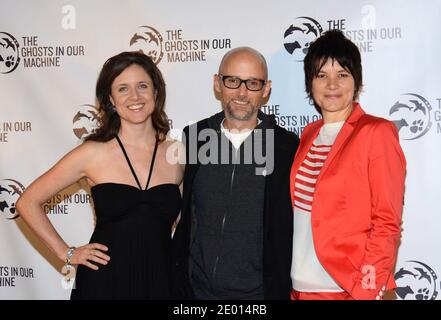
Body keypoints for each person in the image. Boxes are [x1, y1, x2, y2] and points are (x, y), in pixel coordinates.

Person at [16, 51, 183, 299]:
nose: (134, 96)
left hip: (162, 280)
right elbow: (27, 202)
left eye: (142, 86)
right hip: (105, 281)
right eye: (123, 89)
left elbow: (184, 222)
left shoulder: (177, 154)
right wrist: (67, 253)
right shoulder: (92, 152)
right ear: (110, 100)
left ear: (156, 93)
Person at [171, 47, 300, 300]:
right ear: (217, 83)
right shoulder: (195, 137)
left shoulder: (286, 146)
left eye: (252, 83)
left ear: (266, 89)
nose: (242, 92)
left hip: (260, 296)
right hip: (196, 293)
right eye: (233, 81)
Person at [289, 30, 406, 300]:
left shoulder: (376, 132)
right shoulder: (308, 134)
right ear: (310, 83)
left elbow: (387, 223)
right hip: (301, 287)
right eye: (322, 75)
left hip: (346, 289)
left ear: (357, 82)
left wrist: (366, 291)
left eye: (342, 74)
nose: (332, 84)